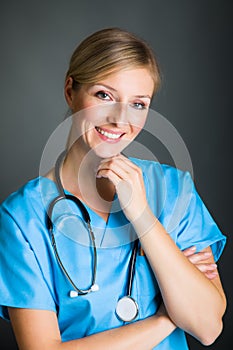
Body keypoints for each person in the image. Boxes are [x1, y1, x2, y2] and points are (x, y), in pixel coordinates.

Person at [0, 28, 226, 350]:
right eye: (104, 95)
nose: (120, 119)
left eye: (138, 104)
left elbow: (207, 327)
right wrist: (167, 318)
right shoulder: (22, 218)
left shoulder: (175, 191)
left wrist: (142, 216)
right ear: (70, 91)